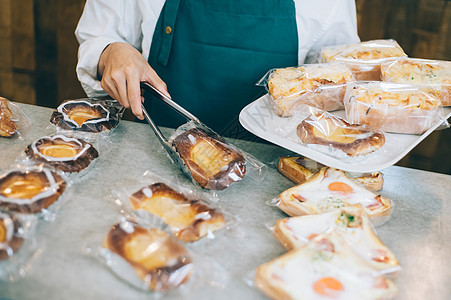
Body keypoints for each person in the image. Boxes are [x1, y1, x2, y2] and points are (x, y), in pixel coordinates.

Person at [75, 0, 359, 134]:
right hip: (155, 153)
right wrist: (111, 51)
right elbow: (98, 36)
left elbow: (342, 77)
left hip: (278, 172)